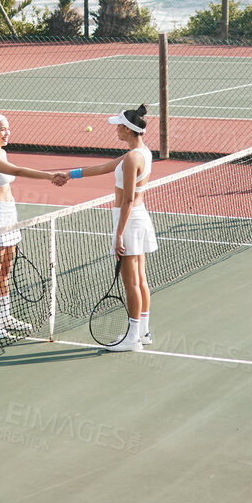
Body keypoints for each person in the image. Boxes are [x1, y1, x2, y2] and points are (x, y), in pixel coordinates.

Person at [64, 105, 156, 353]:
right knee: (141, 279)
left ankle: (132, 338)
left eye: (118, 125)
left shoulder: (132, 159)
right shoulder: (141, 153)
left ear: (128, 129)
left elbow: (126, 199)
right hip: (138, 218)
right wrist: (69, 174)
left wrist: (118, 235)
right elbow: (103, 168)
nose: (116, 129)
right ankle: (143, 332)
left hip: (128, 220)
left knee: (131, 283)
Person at [0, 110, 69, 339]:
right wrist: (50, 176)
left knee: (5, 271)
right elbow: (17, 171)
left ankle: (5, 315)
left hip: (10, 216)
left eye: (8, 128)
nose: (7, 132)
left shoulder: (3, 152)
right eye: (2, 129)